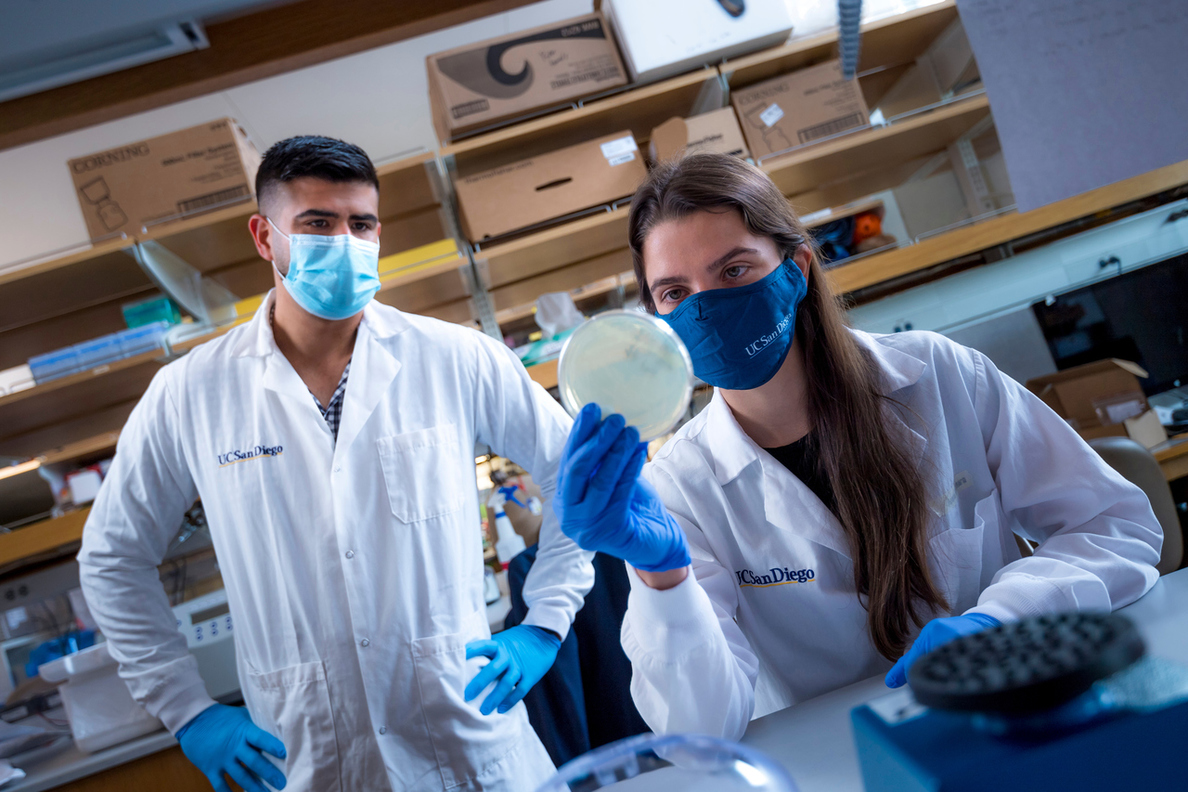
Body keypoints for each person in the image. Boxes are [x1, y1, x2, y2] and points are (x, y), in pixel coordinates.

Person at [552, 152, 1163, 742]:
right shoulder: (681, 486)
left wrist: (998, 621)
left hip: (1013, 709)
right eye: (675, 294)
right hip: (845, 760)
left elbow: (1116, 525)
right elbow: (698, 726)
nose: (706, 309)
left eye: (734, 270)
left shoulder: (939, 374)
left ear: (797, 268)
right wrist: (665, 577)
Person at [78, 136, 593, 792]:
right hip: (311, 759)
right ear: (265, 237)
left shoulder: (457, 358)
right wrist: (187, 711)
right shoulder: (190, 394)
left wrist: (545, 624)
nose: (345, 242)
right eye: (317, 224)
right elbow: (113, 558)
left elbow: (578, 478)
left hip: (472, 748)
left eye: (361, 224)